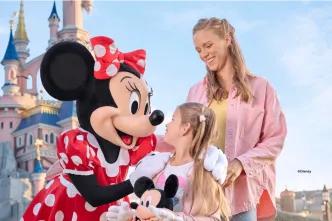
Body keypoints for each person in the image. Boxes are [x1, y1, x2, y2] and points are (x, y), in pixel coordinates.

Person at [187, 17, 287, 221]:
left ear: (227, 39)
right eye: (198, 50)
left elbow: (275, 139)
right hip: (202, 197)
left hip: (242, 197)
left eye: (208, 45)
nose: (204, 54)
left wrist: (241, 163)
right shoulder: (195, 92)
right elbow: (185, 139)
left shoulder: (262, 88)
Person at [107, 102, 230, 221]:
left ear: (185, 128)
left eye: (173, 119)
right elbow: (149, 209)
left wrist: (177, 218)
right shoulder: (161, 166)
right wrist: (130, 216)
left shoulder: (202, 172)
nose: (167, 124)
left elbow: (214, 218)